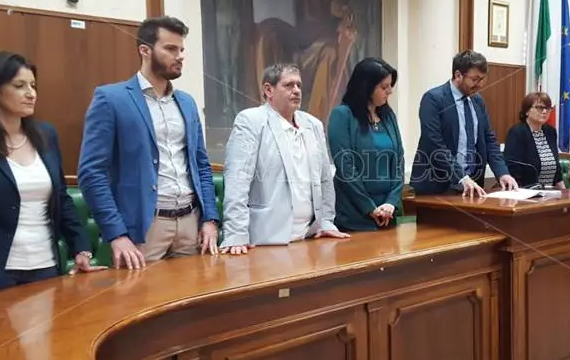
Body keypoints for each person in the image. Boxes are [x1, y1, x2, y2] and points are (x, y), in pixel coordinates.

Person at [0, 52, 104, 301]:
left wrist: (81, 248)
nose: (31, 93)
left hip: (45, 266)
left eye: (33, 86)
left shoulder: (46, 135)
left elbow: (61, 198)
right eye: (19, 86)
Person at [78, 16, 220, 270]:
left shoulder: (187, 102)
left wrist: (210, 218)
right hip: (144, 227)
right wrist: (117, 234)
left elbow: (201, 164)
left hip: (191, 222)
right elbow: (91, 173)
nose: (180, 56)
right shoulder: (111, 99)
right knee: (140, 294)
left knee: (196, 294)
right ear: (145, 50)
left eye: (181, 50)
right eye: (171, 49)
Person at [220, 64, 350, 255]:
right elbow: (237, 180)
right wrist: (236, 234)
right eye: (289, 85)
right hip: (266, 240)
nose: (296, 90)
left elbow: (325, 179)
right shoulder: (251, 121)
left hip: (309, 237)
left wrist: (326, 222)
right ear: (268, 90)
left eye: (299, 85)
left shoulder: (313, 124)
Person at [410, 50, 517, 197]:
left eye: (482, 79)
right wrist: (461, 177)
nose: (480, 85)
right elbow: (434, 143)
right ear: (458, 75)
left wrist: (502, 172)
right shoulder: (433, 99)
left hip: (473, 184)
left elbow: (489, 139)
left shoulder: (478, 101)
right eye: (475, 79)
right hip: (437, 185)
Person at [328, 58, 404, 231]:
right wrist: (369, 208)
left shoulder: (388, 116)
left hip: (389, 213)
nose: (390, 91)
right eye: (384, 87)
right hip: (355, 215)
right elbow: (346, 167)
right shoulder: (343, 115)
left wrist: (391, 202)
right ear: (366, 87)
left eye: (390, 85)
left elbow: (399, 161)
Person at [503, 92, 564, 189]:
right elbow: (513, 168)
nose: (544, 111)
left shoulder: (550, 132)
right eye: (539, 108)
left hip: (550, 191)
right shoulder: (517, 132)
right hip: (525, 191)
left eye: (548, 108)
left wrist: (564, 191)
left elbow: (556, 169)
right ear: (527, 111)